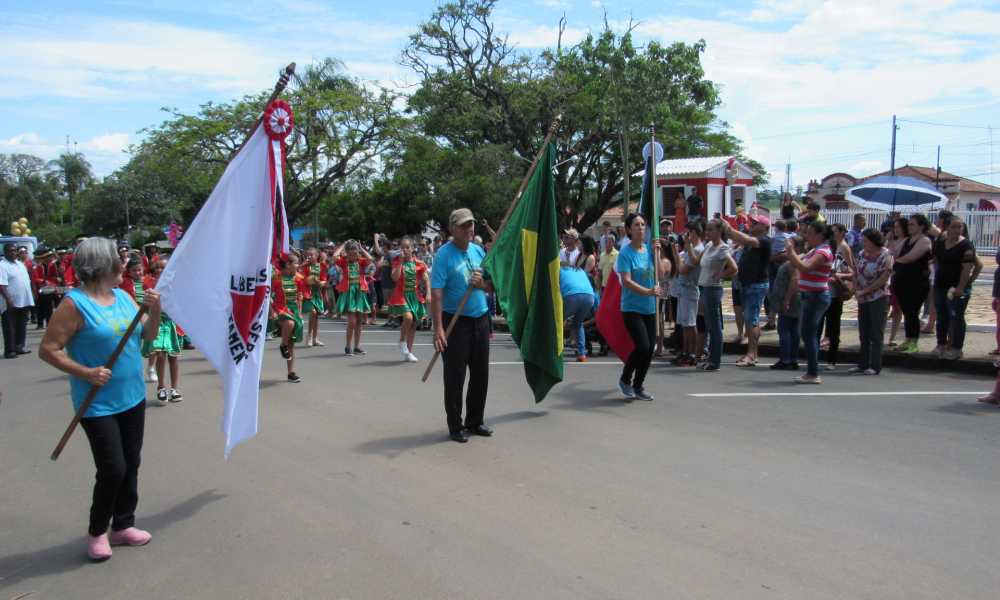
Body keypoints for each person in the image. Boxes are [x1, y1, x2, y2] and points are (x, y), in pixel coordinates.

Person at [38, 237, 163, 560]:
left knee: (131, 462)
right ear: (101, 265)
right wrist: (86, 373)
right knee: (112, 468)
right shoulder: (74, 304)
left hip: (132, 395)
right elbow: (48, 350)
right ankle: (97, 531)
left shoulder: (123, 297)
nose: (125, 265)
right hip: (96, 403)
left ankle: (122, 526)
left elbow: (148, 335)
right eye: (118, 260)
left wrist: (156, 309)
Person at [431, 208, 495, 443]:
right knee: (455, 376)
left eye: (470, 225)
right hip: (454, 321)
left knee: (480, 373)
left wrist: (482, 285)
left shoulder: (479, 251)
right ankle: (455, 425)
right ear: (452, 230)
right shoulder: (443, 255)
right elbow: (436, 293)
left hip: (480, 318)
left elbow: (492, 286)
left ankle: (475, 421)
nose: (468, 229)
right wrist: (438, 327)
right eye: (462, 226)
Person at [616, 212, 664, 398]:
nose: (641, 228)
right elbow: (626, 281)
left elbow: (660, 275)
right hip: (631, 307)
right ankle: (625, 379)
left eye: (643, 225)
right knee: (643, 345)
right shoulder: (625, 253)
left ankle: (638, 386)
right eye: (636, 225)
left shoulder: (650, 251)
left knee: (650, 348)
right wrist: (647, 292)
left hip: (649, 308)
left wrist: (657, 253)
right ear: (628, 230)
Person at [785, 221, 835, 383]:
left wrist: (792, 253)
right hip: (809, 296)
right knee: (808, 334)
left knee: (808, 334)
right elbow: (792, 263)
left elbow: (805, 268)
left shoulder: (823, 252)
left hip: (816, 296)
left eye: (810, 233)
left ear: (820, 235)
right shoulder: (815, 250)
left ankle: (813, 372)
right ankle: (812, 371)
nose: (806, 237)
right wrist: (792, 254)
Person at [722, 214, 772, 367]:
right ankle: (753, 354)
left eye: (756, 223)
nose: (752, 224)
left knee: (751, 320)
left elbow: (745, 239)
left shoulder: (764, 240)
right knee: (751, 319)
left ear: (764, 226)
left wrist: (728, 227)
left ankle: (751, 354)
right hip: (747, 283)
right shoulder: (751, 241)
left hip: (755, 284)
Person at [688, 219, 737, 371]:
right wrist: (688, 244)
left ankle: (715, 360)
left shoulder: (722, 248)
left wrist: (720, 276)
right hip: (704, 288)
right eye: (706, 230)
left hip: (713, 289)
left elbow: (733, 267)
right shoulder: (709, 245)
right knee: (710, 325)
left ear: (719, 231)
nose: (707, 232)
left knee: (715, 326)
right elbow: (696, 260)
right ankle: (711, 357)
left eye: (711, 230)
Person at [930, 217, 976, 360]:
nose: (957, 230)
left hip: (957, 288)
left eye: (960, 227)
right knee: (942, 316)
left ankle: (957, 348)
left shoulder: (966, 245)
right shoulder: (941, 244)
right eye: (954, 227)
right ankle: (941, 344)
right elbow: (936, 261)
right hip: (941, 285)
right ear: (947, 228)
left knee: (956, 317)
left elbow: (967, 267)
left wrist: (961, 286)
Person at [850, 228, 893, 375]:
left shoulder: (885, 255)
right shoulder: (862, 254)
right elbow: (855, 272)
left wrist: (865, 291)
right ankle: (862, 364)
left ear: (874, 241)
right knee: (864, 332)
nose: (863, 244)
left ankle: (875, 365)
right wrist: (857, 291)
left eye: (865, 241)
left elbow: (883, 278)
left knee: (876, 333)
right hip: (863, 298)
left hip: (878, 297)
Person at [141, 256, 183, 402]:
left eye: (163, 267)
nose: (159, 270)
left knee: (173, 357)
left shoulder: (176, 283)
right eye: (157, 267)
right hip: (157, 321)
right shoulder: (150, 283)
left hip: (172, 323)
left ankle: (175, 389)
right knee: (160, 355)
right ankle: (161, 387)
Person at [892, 214, 933, 354]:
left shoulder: (924, 240)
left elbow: (910, 258)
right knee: (906, 311)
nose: (909, 227)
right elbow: (896, 252)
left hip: (916, 283)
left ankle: (914, 342)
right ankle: (908, 339)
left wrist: (896, 262)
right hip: (902, 281)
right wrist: (892, 238)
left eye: (912, 224)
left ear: (921, 226)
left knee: (912, 312)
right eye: (908, 224)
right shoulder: (907, 240)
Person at [816, 223, 855, 370]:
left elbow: (852, 273)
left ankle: (832, 360)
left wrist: (840, 275)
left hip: (834, 297)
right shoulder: (815, 256)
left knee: (834, 330)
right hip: (818, 295)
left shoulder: (838, 258)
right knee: (816, 329)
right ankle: (814, 358)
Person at [668, 220, 703, 367]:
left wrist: (681, 260)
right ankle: (686, 351)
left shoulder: (697, 249)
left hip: (690, 289)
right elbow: (680, 262)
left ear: (692, 233)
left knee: (690, 324)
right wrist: (675, 251)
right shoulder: (692, 249)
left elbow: (682, 268)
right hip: (683, 289)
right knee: (684, 324)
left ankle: (692, 353)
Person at [389, 237, 429, 363]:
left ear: (413, 248)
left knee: (413, 325)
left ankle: (409, 353)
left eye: (407, 247)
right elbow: (395, 278)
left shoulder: (419, 264)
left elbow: (426, 279)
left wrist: (428, 294)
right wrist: (400, 262)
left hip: (415, 296)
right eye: (403, 247)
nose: (405, 250)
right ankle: (402, 341)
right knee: (408, 318)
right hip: (401, 295)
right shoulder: (396, 261)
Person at [332, 240, 375, 355]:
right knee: (352, 322)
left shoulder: (360, 261)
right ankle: (348, 346)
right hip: (349, 291)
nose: (352, 257)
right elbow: (335, 256)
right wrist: (343, 245)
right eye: (350, 254)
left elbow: (370, 259)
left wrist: (361, 248)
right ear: (347, 253)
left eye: (355, 254)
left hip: (359, 292)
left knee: (359, 321)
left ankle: (357, 346)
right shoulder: (343, 261)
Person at [768, 235, 805, 370]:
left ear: (799, 247)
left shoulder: (795, 262)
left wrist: (787, 300)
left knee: (784, 328)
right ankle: (792, 358)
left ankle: (786, 359)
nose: (787, 247)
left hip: (791, 299)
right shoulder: (793, 260)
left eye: (790, 245)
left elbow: (794, 280)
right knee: (793, 329)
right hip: (792, 298)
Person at [270, 253, 305, 382]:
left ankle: (291, 372)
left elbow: (299, 295)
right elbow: (268, 294)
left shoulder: (299, 278)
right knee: (289, 323)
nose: (298, 265)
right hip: (280, 309)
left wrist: (300, 312)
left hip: (293, 309)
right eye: (296, 263)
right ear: (288, 265)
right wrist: (272, 311)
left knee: (292, 341)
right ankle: (282, 345)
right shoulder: (276, 278)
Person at [561, 244, 598, 362]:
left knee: (556, 321)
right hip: (589, 296)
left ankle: (555, 350)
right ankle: (582, 354)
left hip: (572, 296)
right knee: (578, 324)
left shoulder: (558, 270)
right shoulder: (578, 270)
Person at [0, 242, 35, 358]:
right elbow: (2, 284)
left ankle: (19, 347)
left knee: (21, 325)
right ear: (5, 252)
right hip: (10, 302)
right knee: (10, 327)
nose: (13, 253)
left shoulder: (19, 264)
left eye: (15, 250)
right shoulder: (2, 265)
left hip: (23, 300)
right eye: (10, 251)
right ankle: (10, 350)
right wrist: (8, 299)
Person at [764, 219, 792, 330]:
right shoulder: (790, 237)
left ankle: (774, 319)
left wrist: (772, 259)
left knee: (773, 290)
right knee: (777, 290)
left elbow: (768, 251)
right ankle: (774, 319)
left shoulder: (773, 237)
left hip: (776, 263)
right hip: (783, 262)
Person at [300, 248, 328, 347]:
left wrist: (320, 283)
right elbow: (302, 279)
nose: (309, 257)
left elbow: (324, 279)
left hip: (318, 292)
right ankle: (309, 335)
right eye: (308, 255)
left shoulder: (322, 266)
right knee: (313, 312)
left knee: (316, 316)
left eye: (312, 255)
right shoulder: (306, 267)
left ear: (317, 256)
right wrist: (311, 279)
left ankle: (315, 338)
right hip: (309, 292)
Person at [32, 245, 60, 329]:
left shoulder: (54, 265)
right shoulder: (40, 266)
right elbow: (35, 277)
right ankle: (49, 323)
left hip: (55, 288)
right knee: (47, 307)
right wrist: (43, 281)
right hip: (45, 289)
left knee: (58, 305)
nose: (51, 258)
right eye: (49, 256)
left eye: (52, 256)